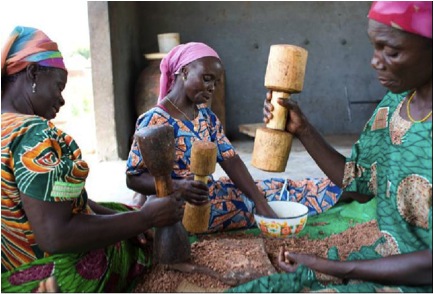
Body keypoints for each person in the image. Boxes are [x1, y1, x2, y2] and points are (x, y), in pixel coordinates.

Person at [229, 1, 432, 292]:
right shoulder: (395, 106)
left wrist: (332, 268)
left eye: (392, 51)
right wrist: (303, 129)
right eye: (375, 47)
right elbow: (357, 187)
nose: (375, 61)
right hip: (385, 260)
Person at [1, 26, 184, 292]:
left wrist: (132, 219)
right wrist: (146, 220)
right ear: (32, 74)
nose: (61, 100)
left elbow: (59, 203)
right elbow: (55, 236)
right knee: (133, 242)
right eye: (59, 87)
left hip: (10, 268)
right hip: (48, 277)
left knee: (118, 212)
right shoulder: (33, 135)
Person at [126, 42, 342, 233]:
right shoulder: (154, 121)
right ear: (184, 71)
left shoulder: (205, 117)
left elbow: (231, 160)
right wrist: (180, 186)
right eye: (207, 78)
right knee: (247, 203)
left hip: (209, 193)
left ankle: (342, 189)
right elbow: (133, 177)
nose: (211, 87)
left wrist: (261, 204)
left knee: (279, 189)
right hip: (179, 209)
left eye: (216, 82)